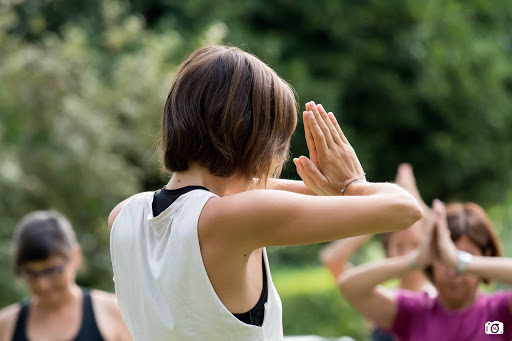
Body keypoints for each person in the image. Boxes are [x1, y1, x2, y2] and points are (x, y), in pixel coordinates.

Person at [108, 45, 422, 341]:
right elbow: (405, 209)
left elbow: (205, 198)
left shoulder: (124, 216)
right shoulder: (237, 217)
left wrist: (334, 191)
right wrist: (353, 183)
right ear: (253, 136)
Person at [336, 200, 512, 341]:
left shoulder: (499, 314)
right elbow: (349, 285)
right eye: (444, 259)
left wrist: (461, 262)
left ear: (485, 255)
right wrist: (415, 260)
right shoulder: (414, 313)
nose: (452, 271)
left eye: (465, 256)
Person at [320, 164, 436, 341]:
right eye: (399, 246)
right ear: (388, 250)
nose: (407, 253)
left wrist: (414, 202)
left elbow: (444, 234)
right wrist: (380, 218)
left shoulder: (441, 296)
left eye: (415, 245)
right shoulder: (378, 298)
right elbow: (332, 259)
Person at [0, 210, 132, 341]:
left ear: (75, 256)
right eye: (31, 274)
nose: (42, 284)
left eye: (52, 271)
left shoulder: (115, 313)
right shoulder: (5, 325)